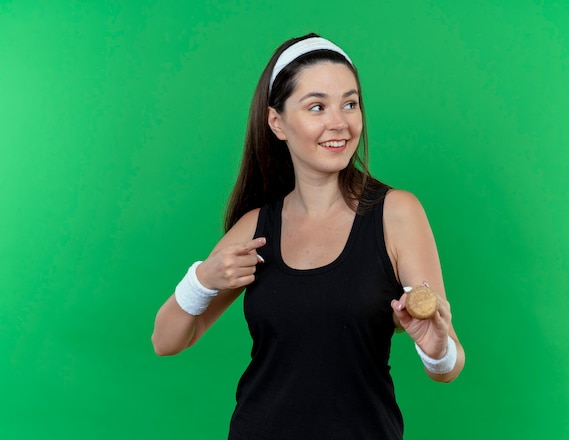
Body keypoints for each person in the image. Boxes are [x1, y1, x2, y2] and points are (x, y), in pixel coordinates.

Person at [152, 33, 465, 440]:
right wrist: (203, 279)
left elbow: (448, 369)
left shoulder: (396, 214)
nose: (339, 123)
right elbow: (166, 339)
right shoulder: (255, 228)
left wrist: (436, 347)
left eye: (349, 104)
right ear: (277, 122)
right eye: (317, 106)